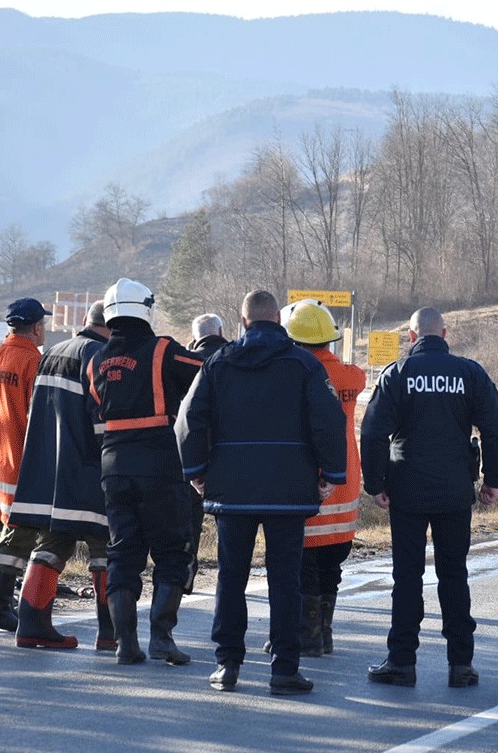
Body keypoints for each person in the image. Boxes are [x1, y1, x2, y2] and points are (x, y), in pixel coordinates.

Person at [176, 290, 346, 696]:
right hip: (289, 489)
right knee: (285, 579)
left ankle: (227, 665)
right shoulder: (303, 363)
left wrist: (197, 472)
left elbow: (188, 419)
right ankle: (284, 669)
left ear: (244, 322)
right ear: (280, 323)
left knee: (231, 577)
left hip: (231, 489)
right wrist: (330, 475)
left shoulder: (219, 362)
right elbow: (328, 421)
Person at [361, 306, 498, 688]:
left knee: (407, 576)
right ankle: (461, 664)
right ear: (445, 334)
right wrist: (492, 479)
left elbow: (373, 432)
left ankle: (402, 662)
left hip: (406, 490)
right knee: (453, 574)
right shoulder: (470, 373)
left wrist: (375, 484)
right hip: (455, 491)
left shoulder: (397, 374)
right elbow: (495, 427)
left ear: (411, 337)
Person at [87, 278, 201, 665]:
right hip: (159, 461)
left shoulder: (96, 361)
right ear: (146, 309)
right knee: (172, 549)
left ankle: (125, 643)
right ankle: (162, 637)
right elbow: (206, 370)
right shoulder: (163, 350)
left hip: (113, 466)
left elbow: (97, 406)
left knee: (122, 551)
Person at [11, 301, 114, 650]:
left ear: (85, 320)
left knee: (52, 545)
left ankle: (31, 625)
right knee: (106, 547)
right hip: (87, 472)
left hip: (49, 474)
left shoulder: (53, 352)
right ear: (111, 326)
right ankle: (110, 634)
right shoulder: (99, 355)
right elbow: (102, 420)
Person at [281, 299, 365, 656]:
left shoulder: (296, 375)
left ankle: (309, 636)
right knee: (333, 565)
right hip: (345, 483)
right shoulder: (352, 376)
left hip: (313, 481)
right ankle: (324, 633)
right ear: (330, 339)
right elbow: (356, 378)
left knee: (306, 566)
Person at [0, 297, 50, 633]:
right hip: (19, 466)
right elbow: (39, 420)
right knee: (14, 545)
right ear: (36, 327)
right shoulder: (33, 361)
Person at [182, 312, 229, 594]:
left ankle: (187, 573)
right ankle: (229, 575)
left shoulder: (185, 362)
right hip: (228, 452)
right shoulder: (232, 359)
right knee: (229, 520)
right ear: (221, 331)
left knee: (190, 520)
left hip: (193, 452)